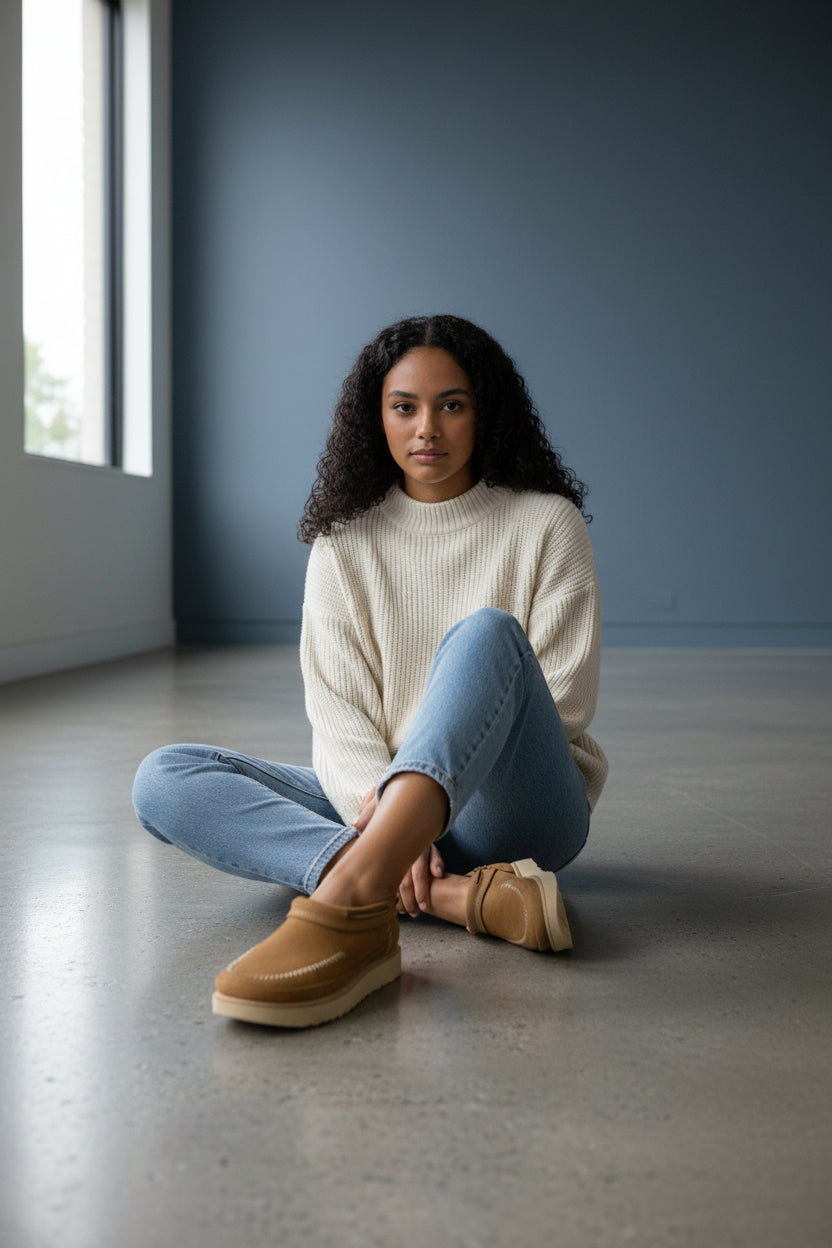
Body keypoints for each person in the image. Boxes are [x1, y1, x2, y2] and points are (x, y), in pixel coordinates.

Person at [132, 314, 607, 1029]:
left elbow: (561, 708)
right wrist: (394, 823)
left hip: (516, 811)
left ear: (486, 413)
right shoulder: (342, 544)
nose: (428, 429)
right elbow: (337, 715)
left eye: (453, 405)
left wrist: (397, 824)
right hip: (376, 806)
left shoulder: (546, 524)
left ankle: (353, 895)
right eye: (404, 407)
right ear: (374, 418)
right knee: (166, 777)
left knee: (486, 635)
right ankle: (462, 897)